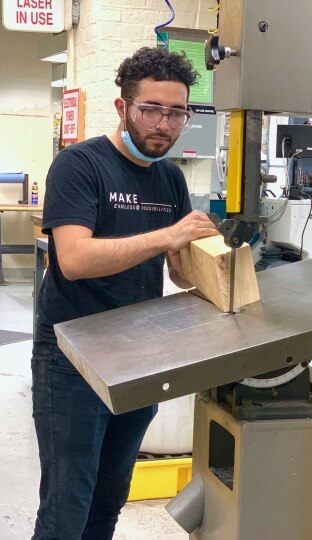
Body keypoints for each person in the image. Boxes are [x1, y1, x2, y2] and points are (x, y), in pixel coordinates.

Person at [31, 47, 219, 540]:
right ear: (122, 108)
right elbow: (72, 260)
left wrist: (216, 262)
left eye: (177, 112)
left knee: (109, 500)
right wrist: (165, 237)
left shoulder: (170, 177)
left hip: (138, 357)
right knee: (66, 507)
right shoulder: (79, 166)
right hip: (71, 357)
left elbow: (179, 273)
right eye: (151, 109)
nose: (165, 124)